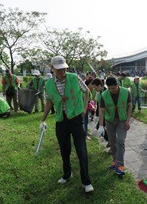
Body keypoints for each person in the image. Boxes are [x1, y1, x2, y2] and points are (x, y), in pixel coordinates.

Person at [40, 55, 94, 193]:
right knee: (65, 150)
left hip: (76, 119)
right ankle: (67, 173)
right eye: (58, 70)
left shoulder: (74, 77)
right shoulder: (49, 84)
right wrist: (43, 120)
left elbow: (86, 91)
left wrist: (84, 108)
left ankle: (86, 181)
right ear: (52, 68)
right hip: (61, 120)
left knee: (81, 151)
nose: (62, 72)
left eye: (63, 69)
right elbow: (49, 101)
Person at [98, 77, 132, 175]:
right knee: (112, 142)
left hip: (122, 120)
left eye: (113, 88)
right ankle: (115, 160)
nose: (112, 90)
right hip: (110, 121)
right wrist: (101, 125)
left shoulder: (126, 92)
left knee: (121, 141)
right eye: (110, 89)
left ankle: (120, 165)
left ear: (117, 84)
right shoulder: (104, 95)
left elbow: (130, 105)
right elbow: (101, 110)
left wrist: (128, 121)